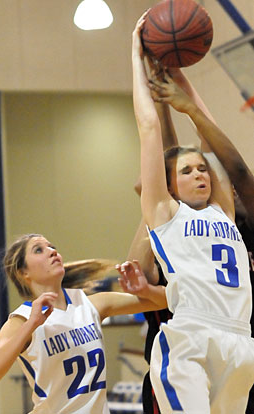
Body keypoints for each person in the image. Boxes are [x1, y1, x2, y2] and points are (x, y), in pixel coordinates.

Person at [124, 11, 254, 414]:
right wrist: (135, 55)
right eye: (186, 170)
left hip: (240, 342)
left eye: (202, 169)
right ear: (165, 183)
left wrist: (183, 88)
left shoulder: (223, 212)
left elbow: (217, 145)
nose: (200, 173)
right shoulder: (163, 213)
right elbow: (150, 129)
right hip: (190, 338)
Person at [0, 233, 167, 414]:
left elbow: (164, 301)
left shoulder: (91, 304)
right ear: (23, 272)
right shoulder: (21, 319)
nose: (52, 251)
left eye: (52, 247)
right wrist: (31, 324)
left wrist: (146, 290)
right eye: (39, 250)